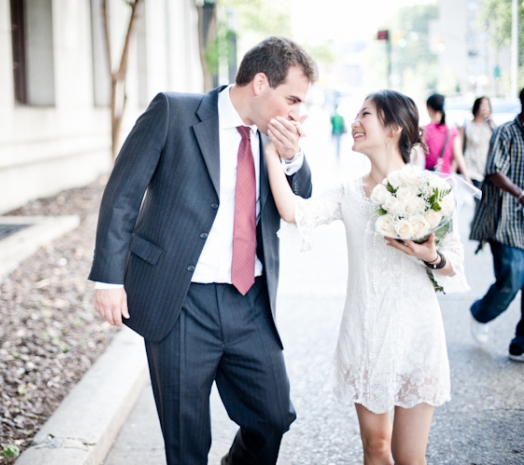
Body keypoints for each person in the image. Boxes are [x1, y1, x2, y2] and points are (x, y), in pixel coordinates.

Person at [88, 37, 316, 465]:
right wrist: (109, 278)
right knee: (186, 441)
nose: (297, 113)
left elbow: (301, 203)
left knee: (273, 417)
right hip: (181, 302)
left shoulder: (275, 139)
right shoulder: (174, 113)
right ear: (261, 82)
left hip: (250, 301)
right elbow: (123, 195)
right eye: (293, 99)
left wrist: (292, 158)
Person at [265, 90, 468, 464]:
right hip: (367, 334)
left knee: (410, 457)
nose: (355, 123)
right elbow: (295, 212)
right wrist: (271, 153)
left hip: (418, 334)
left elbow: (454, 262)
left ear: (393, 128)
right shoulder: (348, 193)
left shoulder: (433, 191)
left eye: (365, 115)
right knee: (375, 449)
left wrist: (431, 255)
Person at [469, 87, 524, 362]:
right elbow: (493, 171)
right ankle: (481, 312)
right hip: (506, 220)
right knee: (512, 278)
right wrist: (520, 193)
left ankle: (522, 341)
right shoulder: (506, 132)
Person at [422, 93, 472, 183]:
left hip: (429, 180)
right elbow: (458, 156)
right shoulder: (452, 130)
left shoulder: (425, 130)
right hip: (447, 180)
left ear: (429, 108)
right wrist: (467, 179)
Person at [461, 96, 497, 189]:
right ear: (476, 106)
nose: (484, 107)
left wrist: (491, 119)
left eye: (487, 105)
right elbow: (460, 148)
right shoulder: (467, 125)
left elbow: (499, 138)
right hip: (470, 168)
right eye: (482, 104)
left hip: (486, 168)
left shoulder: (490, 125)